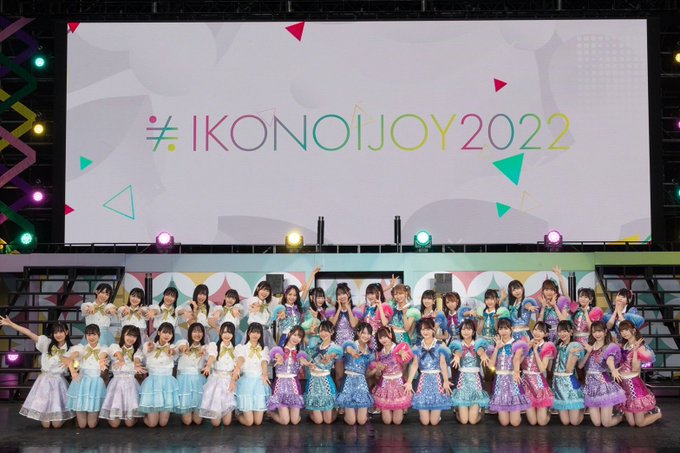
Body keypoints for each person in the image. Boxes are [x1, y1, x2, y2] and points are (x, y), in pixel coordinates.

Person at [0, 316, 74, 427]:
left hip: (59, 382)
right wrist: (12, 324)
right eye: (55, 332)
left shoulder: (71, 349)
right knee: (46, 425)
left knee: (56, 424)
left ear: (66, 332)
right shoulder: (46, 343)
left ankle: (61, 416)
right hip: (44, 381)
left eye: (61, 332)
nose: (58, 334)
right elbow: (29, 333)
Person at [405, 318, 452, 425]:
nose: (425, 332)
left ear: (433, 330)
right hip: (423, 381)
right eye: (423, 329)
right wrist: (409, 382)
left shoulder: (440, 345)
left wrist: (445, 380)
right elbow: (415, 364)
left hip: (437, 380)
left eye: (428, 329)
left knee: (434, 422)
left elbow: (443, 363)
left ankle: (437, 417)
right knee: (425, 422)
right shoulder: (417, 346)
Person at [578, 321, 626, 427]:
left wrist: (613, 369)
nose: (597, 334)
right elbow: (580, 366)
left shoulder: (609, 347)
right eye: (594, 332)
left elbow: (610, 360)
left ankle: (621, 416)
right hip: (590, 387)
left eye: (599, 331)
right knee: (596, 423)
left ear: (605, 332)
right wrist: (589, 352)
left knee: (606, 423)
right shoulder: (589, 346)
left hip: (603, 386)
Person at [99, 325, 145, 427]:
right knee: (114, 425)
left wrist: (137, 365)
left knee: (129, 424)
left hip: (131, 386)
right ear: (123, 335)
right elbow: (104, 351)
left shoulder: (137, 351)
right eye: (129, 335)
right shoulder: (115, 347)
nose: (131, 338)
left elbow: (137, 360)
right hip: (116, 385)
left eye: (134, 336)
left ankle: (132, 416)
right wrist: (102, 360)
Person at [618, 320, 662, 427]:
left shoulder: (640, 346)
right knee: (631, 423)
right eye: (622, 331)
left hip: (634, 385)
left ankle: (657, 414)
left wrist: (635, 351)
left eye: (626, 330)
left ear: (633, 330)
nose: (624, 333)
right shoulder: (625, 345)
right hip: (623, 384)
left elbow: (635, 369)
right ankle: (643, 412)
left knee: (639, 423)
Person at [487, 317, 530, 426]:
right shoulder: (495, 345)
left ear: (511, 329)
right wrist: (497, 348)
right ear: (498, 330)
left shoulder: (517, 344)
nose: (503, 331)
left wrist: (516, 372)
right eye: (501, 329)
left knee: (515, 423)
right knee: (504, 423)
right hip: (500, 382)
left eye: (506, 328)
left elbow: (516, 359)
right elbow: (490, 365)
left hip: (513, 380)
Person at [65, 324, 108, 429]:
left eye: (94, 334)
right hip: (81, 382)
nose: (91, 337)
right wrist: (72, 361)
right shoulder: (81, 348)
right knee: (82, 425)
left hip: (96, 383)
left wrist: (102, 361)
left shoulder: (103, 348)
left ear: (99, 335)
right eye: (88, 335)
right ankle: (78, 416)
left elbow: (104, 355)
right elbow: (75, 354)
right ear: (85, 336)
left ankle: (96, 417)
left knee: (91, 425)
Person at [137, 322, 179, 428]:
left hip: (167, 384)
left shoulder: (173, 347)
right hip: (152, 384)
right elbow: (139, 354)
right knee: (152, 424)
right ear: (159, 332)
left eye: (170, 333)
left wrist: (172, 351)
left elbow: (176, 351)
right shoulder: (149, 345)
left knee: (163, 423)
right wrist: (137, 362)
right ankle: (142, 415)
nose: (167, 335)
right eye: (164, 332)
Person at [369, 326, 414, 425]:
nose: (383, 339)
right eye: (380, 338)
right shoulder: (379, 353)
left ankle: (400, 408)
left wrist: (402, 353)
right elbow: (377, 375)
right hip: (384, 385)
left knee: (397, 422)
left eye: (385, 336)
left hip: (398, 384)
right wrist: (378, 369)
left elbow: (406, 361)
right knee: (387, 421)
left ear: (390, 334)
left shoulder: (399, 348)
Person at [449, 320, 490, 425]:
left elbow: (480, 350)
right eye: (463, 329)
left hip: (476, 382)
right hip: (462, 382)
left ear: (473, 331)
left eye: (468, 329)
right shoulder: (457, 344)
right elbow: (458, 351)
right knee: (464, 421)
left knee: (472, 421)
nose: (466, 331)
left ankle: (480, 411)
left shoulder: (478, 344)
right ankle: (458, 410)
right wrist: (457, 356)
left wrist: (483, 355)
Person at [267, 325, 308, 425]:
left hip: (294, 386)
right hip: (280, 386)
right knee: (285, 421)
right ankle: (270, 413)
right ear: (289, 334)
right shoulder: (278, 351)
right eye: (295, 335)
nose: (296, 338)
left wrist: (303, 362)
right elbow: (274, 357)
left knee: (294, 421)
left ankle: (290, 411)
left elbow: (302, 361)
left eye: (299, 337)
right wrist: (278, 357)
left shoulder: (300, 354)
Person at [336, 322, 375, 425]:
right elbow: (347, 348)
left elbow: (367, 374)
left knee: (361, 421)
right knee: (351, 421)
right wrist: (353, 352)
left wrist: (376, 370)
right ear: (358, 333)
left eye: (368, 333)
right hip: (348, 382)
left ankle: (357, 410)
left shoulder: (370, 352)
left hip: (361, 383)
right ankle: (347, 411)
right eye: (363, 333)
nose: (366, 336)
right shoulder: (351, 345)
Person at [200, 321, 238, 427]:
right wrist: (208, 365)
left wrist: (233, 381)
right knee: (216, 423)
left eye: (229, 332)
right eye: (224, 332)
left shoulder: (236, 349)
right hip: (216, 380)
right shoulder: (214, 346)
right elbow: (212, 356)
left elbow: (237, 368)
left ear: (233, 334)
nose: (227, 335)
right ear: (220, 332)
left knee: (227, 422)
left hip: (229, 381)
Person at [234, 322, 272, 426]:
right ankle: (237, 414)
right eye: (253, 332)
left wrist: (264, 374)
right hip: (246, 383)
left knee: (258, 422)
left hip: (259, 382)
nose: (255, 335)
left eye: (258, 332)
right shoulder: (242, 348)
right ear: (248, 333)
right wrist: (237, 368)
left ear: (261, 335)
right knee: (249, 422)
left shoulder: (264, 349)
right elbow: (241, 358)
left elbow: (264, 362)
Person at [304, 321, 342, 424]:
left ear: (332, 332)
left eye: (326, 331)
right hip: (313, 382)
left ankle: (336, 409)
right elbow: (302, 336)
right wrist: (309, 331)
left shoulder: (334, 347)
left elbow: (335, 353)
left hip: (326, 382)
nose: (323, 333)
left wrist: (329, 356)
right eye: (321, 331)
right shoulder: (316, 344)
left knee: (328, 421)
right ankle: (310, 409)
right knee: (318, 421)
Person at [521, 321, 555, 426]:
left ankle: (548, 412)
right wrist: (527, 347)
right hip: (526, 384)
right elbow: (518, 362)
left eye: (541, 331)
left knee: (541, 423)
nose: (537, 333)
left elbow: (542, 368)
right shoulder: (526, 342)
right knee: (532, 422)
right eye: (535, 329)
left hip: (539, 385)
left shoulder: (547, 347)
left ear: (546, 334)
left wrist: (535, 351)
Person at [552, 320, 585, 426]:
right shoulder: (557, 346)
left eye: (565, 331)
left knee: (574, 422)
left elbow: (569, 370)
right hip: (558, 383)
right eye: (560, 331)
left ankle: (582, 408)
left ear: (571, 332)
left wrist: (571, 355)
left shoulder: (574, 347)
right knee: (565, 422)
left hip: (569, 383)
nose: (562, 334)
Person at [176, 322, 209, 425]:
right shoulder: (183, 343)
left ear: (203, 334)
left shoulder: (205, 347)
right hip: (185, 381)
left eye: (200, 332)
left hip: (199, 381)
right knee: (187, 421)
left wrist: (205, 354)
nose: (197, 334)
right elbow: (179, 347)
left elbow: (211, 357)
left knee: (198, 421)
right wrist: (184, 348)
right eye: (194, 331)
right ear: (190, 333)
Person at [242, 281, 280, 348]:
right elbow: (255, 304)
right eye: (263, 289)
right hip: (254, 331)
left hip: (265, 333)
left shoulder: (266, 304)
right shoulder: (253, 299)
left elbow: (279, 300)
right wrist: (257, 306)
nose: (265, 292)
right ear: (257, 289)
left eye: (267, 291)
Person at [537, 278, 571, 343]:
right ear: (543, 291)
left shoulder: (561, 301)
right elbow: (539, 324)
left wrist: (554, 305)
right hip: (545, 336)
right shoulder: (540, 302)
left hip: (559, 335)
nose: (549, 292)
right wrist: (543, 307)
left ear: (555, 291)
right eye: (546, 290)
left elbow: (564, 321)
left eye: (551, 290)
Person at [361, 283, 393, 351]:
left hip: (379, 339)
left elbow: (385, 323)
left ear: (378, 293)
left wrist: (380, 307)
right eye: (368, 294)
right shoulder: (365, 307)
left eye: (372, 293)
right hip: (367, 340)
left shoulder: (384, 306)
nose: (370, 296)